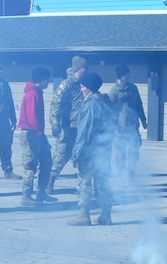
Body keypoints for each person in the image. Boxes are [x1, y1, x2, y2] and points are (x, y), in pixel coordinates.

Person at [67, 71, 114, 226]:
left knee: (84, 182)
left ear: (89, 88)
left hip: (89, 151)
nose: (81, 90)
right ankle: (106, 215)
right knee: (101, 183)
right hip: (103, 151)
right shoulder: (103, 102)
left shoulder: (91, 105)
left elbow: (85, 131)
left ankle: (84, 214)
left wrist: (77, 153)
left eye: (83, 87)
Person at [16, 66, 57, 207]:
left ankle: (41, 192)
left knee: (47, 162)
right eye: (47, 79)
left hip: (37, 133)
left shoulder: (37, 92)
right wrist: (39, 134)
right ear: (42, 79)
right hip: (30, 133)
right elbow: (33, 116)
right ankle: (26, 196)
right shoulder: (32, 94)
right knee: (30, 166)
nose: (49, 82)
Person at [49, 55, 88, 194]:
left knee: (81, 157)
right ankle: (50, 182)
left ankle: (82, 188)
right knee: (61, 155)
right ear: (78, 68)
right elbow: (55, 105)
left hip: (81, 127)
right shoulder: (67, 84)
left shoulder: (84, 83)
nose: (87, 69)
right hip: (67, 127)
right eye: (84, 67)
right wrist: (55, 125)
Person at [106, 64, 147, 180]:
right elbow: (110, 113)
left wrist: (143, 119)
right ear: (121, 76)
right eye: (126, 76)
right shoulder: (113, 92)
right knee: (121, 152)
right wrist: (114, 129)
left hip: (133, 126)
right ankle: (120, 175)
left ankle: (131, 174)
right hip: (120, 128)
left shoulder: (133, 88)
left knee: (134, 150)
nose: (128, 78)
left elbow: (139, 104)